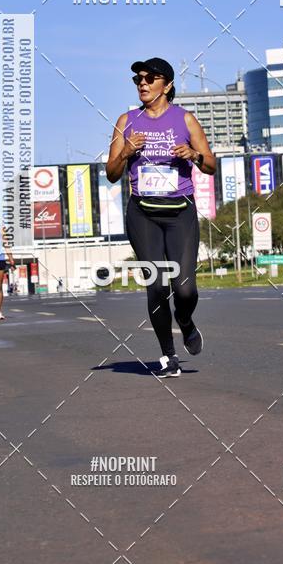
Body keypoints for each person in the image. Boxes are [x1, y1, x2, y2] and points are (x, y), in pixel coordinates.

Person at [106, 57, 216, 377]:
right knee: (156, 285)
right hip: (143, 213)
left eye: (150, 78)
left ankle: (185, 320)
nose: (142, 83)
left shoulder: (186, 120)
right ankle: (168, 355)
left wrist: (193, 155)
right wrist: (125, 152)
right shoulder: (126, 121)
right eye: (138, 78)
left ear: (166, 85)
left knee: (185, 290)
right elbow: (112, 173)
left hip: (180, 212)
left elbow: (210, 164)